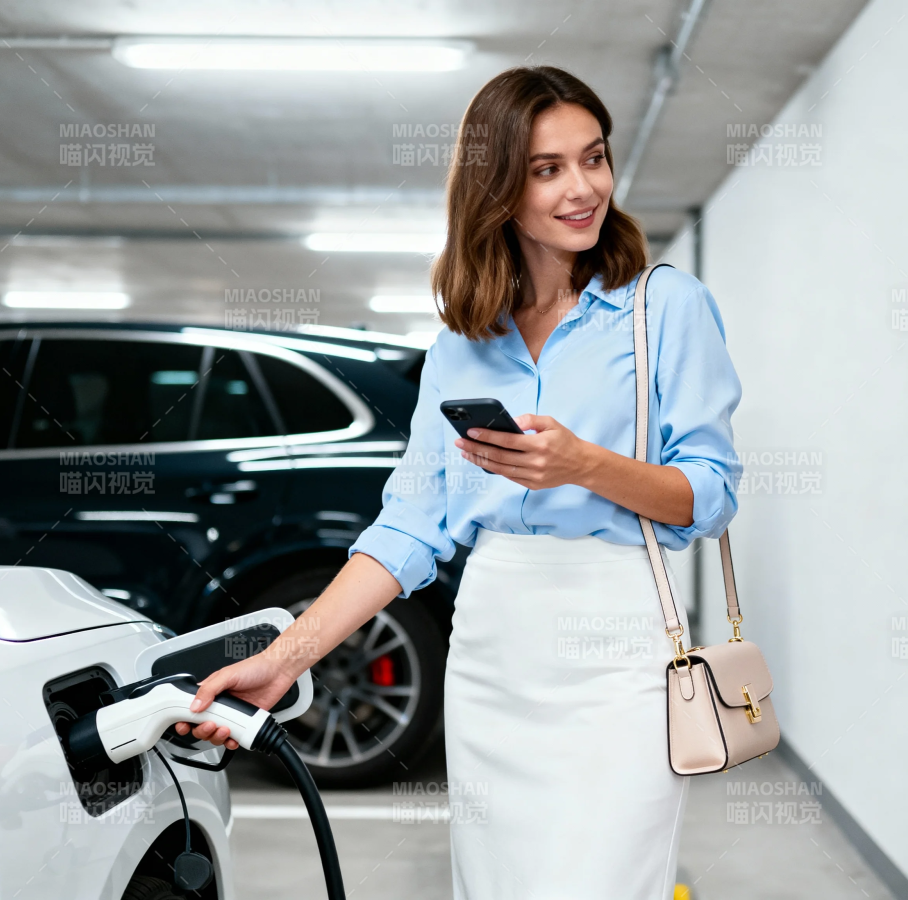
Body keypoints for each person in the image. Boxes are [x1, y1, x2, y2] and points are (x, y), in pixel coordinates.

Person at [179, 65, 742, 898]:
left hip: (618, 648)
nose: (583, 188)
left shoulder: (665, 308)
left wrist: (585, 464)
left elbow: (711, 495)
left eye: (594, 158)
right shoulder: (460, 347)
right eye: (548, 169)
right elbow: (408, 529)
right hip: (492, 651)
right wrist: (285, 658)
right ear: (498, 190)